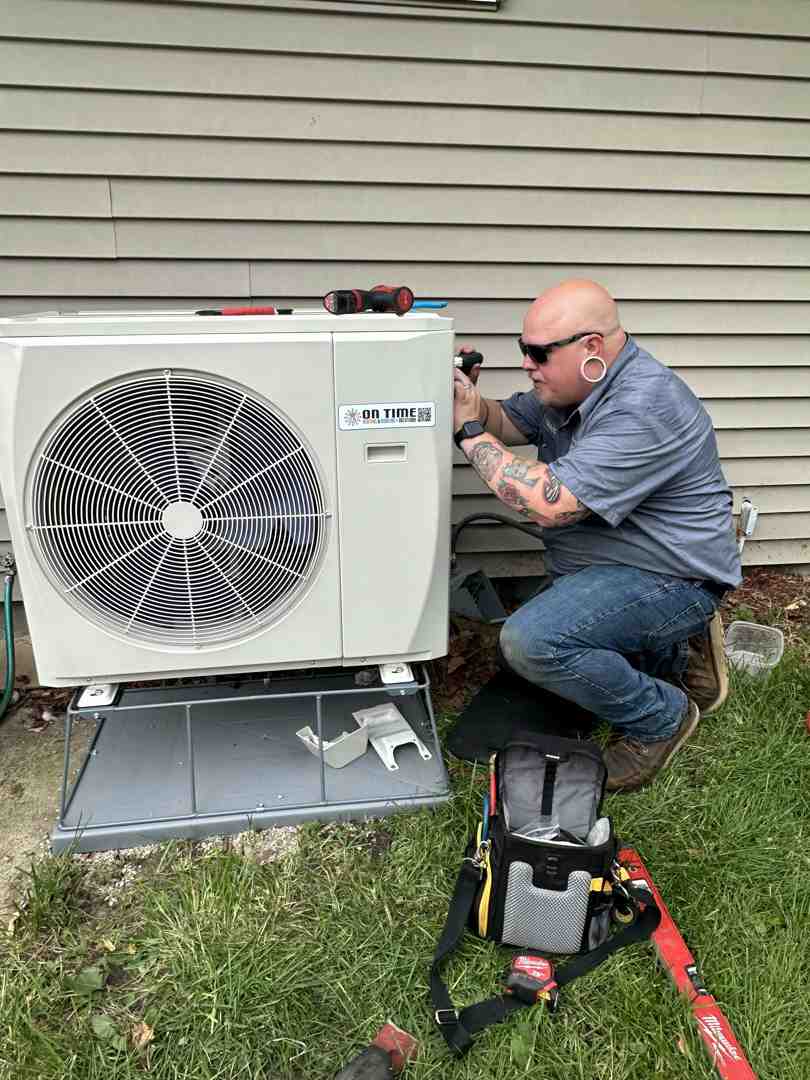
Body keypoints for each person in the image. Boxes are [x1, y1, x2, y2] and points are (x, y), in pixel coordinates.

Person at [452, 279, 742, 792]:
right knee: (526, 650)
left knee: (532, 642)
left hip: (672, 578)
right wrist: (471, 404)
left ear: (592, 349)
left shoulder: (643, 406)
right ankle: (670, 656)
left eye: (539, 353)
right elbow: (502, 420)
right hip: (608, 568)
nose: (527, 364)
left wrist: (469, 434)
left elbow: (549, 504)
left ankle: (661, 716)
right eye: (525, 351)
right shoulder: (569, 389)